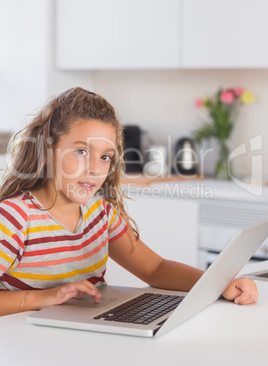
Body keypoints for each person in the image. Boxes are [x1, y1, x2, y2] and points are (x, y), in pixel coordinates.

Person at [0, 87, 257, 316]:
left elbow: (155, 269)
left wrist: (217, 284)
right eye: (81, 151)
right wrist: (43, 298)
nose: (95, 169)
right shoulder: (14, 219)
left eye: (105, 157)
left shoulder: (100, 214)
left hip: (79, 338)